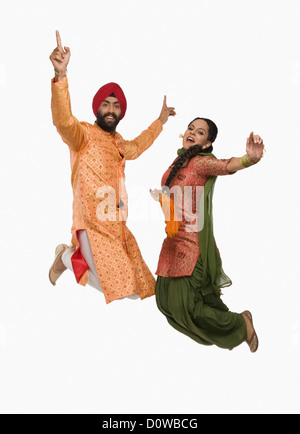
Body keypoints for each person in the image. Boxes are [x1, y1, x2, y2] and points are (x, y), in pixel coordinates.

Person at [48, 31, 176, 304]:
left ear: (120, 113)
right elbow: (63, 121)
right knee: (119, 288)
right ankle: (66, 257)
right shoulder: (82, 135)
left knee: (136, 288)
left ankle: (70, 257)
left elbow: (138, 146)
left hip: (116, 223)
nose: (111, 109)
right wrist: (61, 77)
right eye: (105, 104)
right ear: (97, 109)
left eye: (116, 106)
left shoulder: (118, 143)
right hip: (91, 223)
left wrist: (161, 121)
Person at [151, 117, 264, 352]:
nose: (192, 132)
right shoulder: (178, 161)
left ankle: (241, 325)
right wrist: (162, 199)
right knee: (165, 304)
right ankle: (234, 321)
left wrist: (249, 159)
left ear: (206, 143)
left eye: (200, 132)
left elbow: (226, 165)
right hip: (171, 242)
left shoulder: (201, 163)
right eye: (190, 128)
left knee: (188, 309)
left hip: (192, 246)